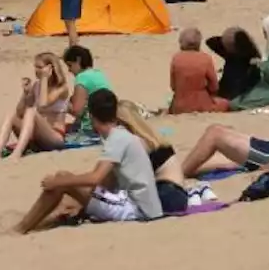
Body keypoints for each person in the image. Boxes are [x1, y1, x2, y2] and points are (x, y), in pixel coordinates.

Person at [15, 89, 163, 233]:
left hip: (137, 209)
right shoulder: (121, 135)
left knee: (62, 180)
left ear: (91, 116)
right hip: (143, 206)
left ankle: (21, 228)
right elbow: (105, 179)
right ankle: (35, 222)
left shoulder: (117, 139)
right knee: (67, 182)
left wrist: (58, 182)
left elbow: (95, 178)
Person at [0, 52, 72, 160]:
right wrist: (26, 94)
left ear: (50, 68)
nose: (36, 70)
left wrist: (44, 79)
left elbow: (43, 104)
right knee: (11, 114)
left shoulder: (61, 88)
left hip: (54, 137)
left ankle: (17, 153)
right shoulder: (37, 86)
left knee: (32, 112)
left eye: (39, 67)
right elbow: (19, 112)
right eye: (35, 67)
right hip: (35, 137)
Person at [169, 27, 230, 114]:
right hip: (201, 105)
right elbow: (214, 87)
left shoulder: (176, 58)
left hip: (179, 106)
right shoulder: (206, 59)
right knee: (225, 103)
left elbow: (173, 86)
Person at [63, 45, 112, 138]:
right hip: (107, 123)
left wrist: (62, 103)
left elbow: (77, 111)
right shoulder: (98, 74)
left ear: (78, 60)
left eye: (70, 65)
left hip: (91, 127)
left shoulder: (82, 78)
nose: (69, 70)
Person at [206, 28, 261, 101]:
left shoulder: (233, 58)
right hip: (239, 94)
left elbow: (211, 41)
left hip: (233, 95)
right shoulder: (251, 56)